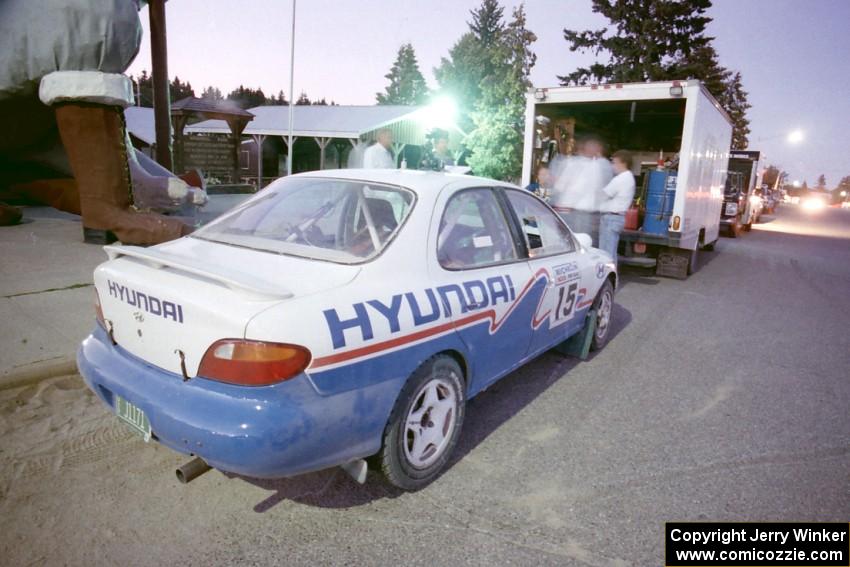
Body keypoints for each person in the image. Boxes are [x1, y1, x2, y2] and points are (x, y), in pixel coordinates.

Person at [549, 134, 613, 244]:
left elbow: (560, 186)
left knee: (569, 244)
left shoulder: (578, 163)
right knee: (580, 245)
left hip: (575, 212)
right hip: (576, 213)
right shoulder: (596, 165)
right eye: (595, 147)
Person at [598, 150, 636, 264]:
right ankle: (610, 279)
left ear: (622, 163)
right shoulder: (628, 177)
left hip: (611, 218)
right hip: (615, 218)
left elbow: (603, 195)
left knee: (606, 254)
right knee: (610, 252)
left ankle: (608, 279)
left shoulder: (621, 179)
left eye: (614, 162)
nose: (612, 166)